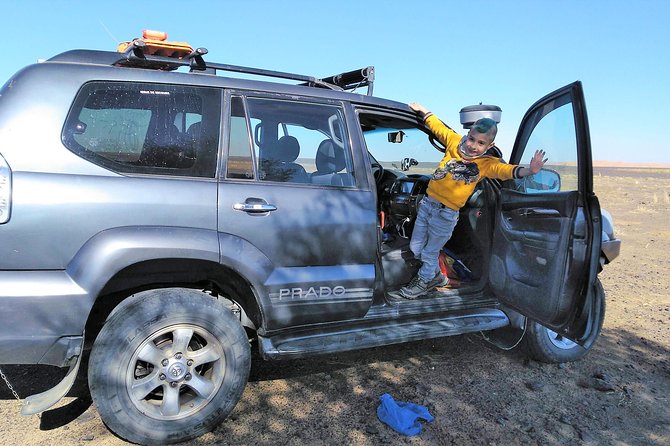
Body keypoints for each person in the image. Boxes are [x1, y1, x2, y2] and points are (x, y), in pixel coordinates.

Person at [393, 102, 548, 300]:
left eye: (481, 143)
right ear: (467, 135)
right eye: (472, 139)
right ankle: (437, 277)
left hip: (446, 214)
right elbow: (437, 127)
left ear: (489, 146)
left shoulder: (486, 164)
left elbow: (506, 171)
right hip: (427, 206)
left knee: (430, 252)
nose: (474, 146)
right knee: (416, 249)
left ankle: (423, 282)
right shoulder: (454, 142)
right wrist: (424, 110)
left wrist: (530, 170)